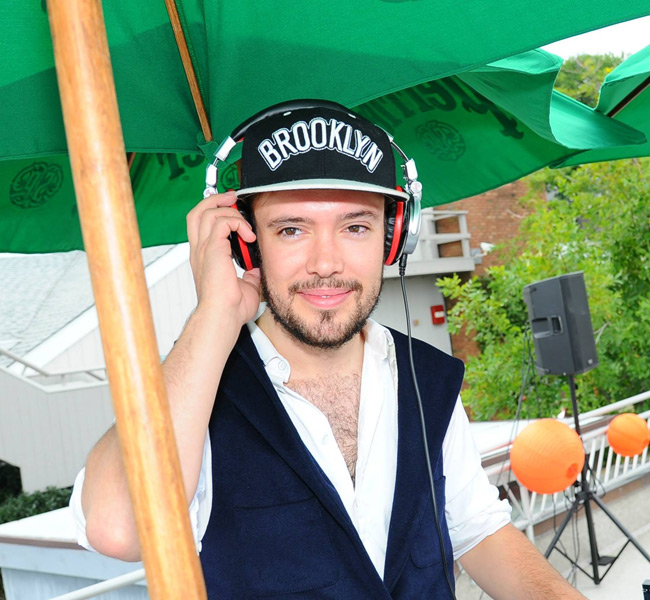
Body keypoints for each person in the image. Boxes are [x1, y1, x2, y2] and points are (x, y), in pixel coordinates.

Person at [69, 101, 586, 599]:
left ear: (393, 239)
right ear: (245, 244)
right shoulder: (195, 400)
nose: (325, 262)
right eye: (291, 229)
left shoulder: (427, 379)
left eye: (355, 226)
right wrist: (214, 314)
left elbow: (478, 530)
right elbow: (119, 528)